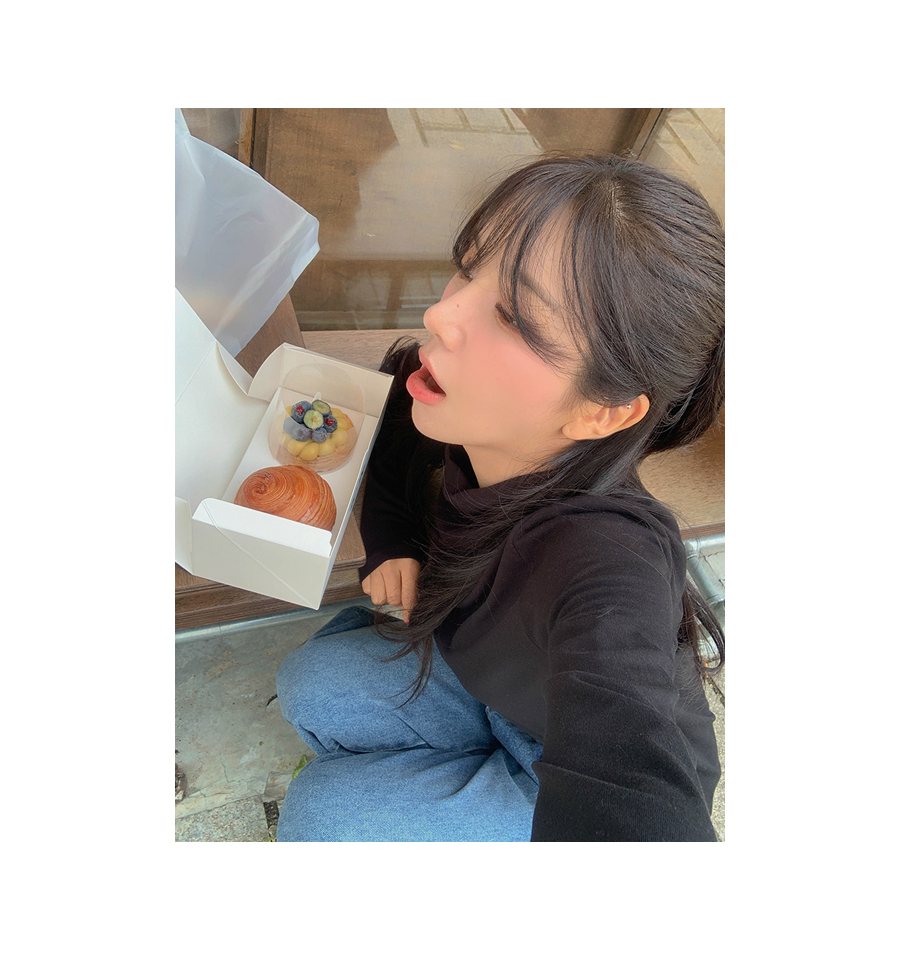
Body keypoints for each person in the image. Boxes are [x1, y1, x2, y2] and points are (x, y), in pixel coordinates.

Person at [275, 153, 725, 842]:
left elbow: (637, 790)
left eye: (514, 316)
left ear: (602, 411)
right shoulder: (460, 400)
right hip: (491, 684)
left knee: (319, 818)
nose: (442, 312)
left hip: (554, 761)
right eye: (469, 266)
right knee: (307, 684)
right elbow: (397, 416)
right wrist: (393, 539)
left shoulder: (610, 560)